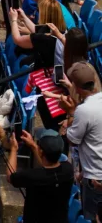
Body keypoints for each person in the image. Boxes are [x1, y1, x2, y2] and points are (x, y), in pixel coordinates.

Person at [65, 61, 102, 218]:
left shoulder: (84, 110)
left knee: (91, 218)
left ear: (76, 87)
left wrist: (70, 112)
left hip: (95, 178)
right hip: (92, 172)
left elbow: (72, 140)